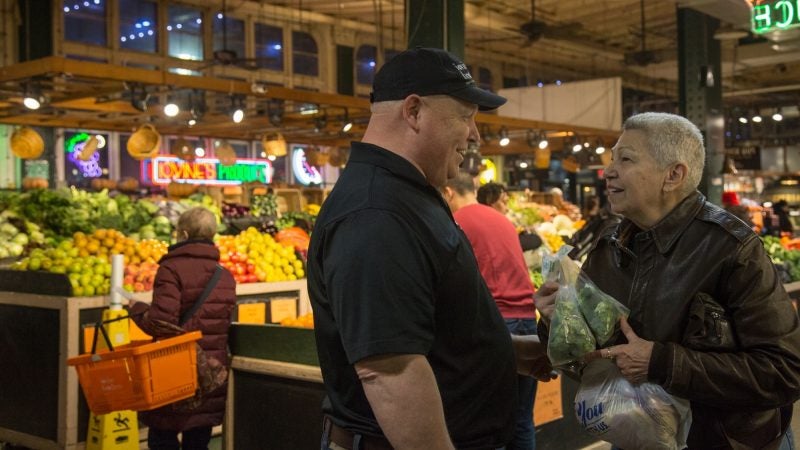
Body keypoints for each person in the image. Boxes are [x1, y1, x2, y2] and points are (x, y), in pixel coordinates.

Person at [307, 47, 554, 450]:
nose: (475, 134)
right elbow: (389, 371)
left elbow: (423, 330)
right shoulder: (377, 213)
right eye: (465, 116)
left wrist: (504, 352)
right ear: (414, 111)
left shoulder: (408, 195)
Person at [535, 112, 800, 449]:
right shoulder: (608, 248)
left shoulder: (731, 249)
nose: (608, 172)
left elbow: (784, 371)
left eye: (626, 159)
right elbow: (585, 360)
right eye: (611, 159)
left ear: (673, 175)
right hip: (637, 437)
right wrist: (557, 321)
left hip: (726, 441)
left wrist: (661, 362)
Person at [443, 172, 539, 450]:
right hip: (527, 321)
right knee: (522, 418)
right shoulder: (502, 220)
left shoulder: (457, 222)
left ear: (448, 192)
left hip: (497, 324)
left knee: (487, 423)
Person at [129, 207, 237, 450]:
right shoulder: (225, 276)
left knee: (162, 436)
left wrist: (136, 310)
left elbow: (161, 322)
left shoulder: (171, 269)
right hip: (210, 371)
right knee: (198, 440)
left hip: (174, 369)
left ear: (184, 234)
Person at [478, 182, 543, 252]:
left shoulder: (484, 222)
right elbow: (527, 242)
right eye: (504, 202)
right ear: (490, 203)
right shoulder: (493, 228)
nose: (507, 209)